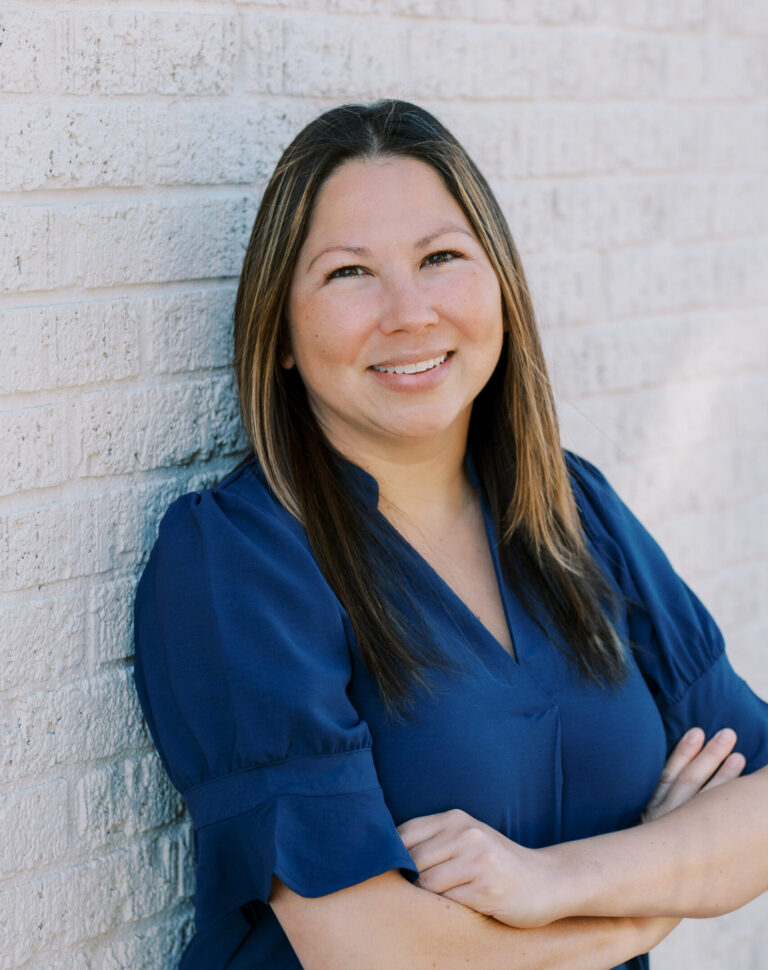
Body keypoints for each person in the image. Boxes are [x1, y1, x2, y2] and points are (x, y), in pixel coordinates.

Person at [132, 100, 768, 970]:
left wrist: (561, 882)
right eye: (349, 273)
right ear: (278, 331)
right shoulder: (238, 562)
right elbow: (373, 950)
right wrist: (645, 908)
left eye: (441, 258)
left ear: (500, 284)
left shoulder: (573, 512)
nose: (410, 312)